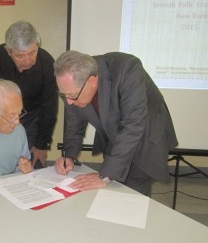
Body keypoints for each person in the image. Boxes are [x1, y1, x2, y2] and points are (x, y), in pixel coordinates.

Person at [54, 50, 178, 196]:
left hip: (144, 138)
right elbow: (74, 126)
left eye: (72, 96)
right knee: (111, 193)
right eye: (64, 95)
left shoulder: (127, 68)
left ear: (92, 81)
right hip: (115, 138)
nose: (68, 101)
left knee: (132, 198)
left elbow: (133, 126)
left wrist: (105, 175)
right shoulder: (71, 85)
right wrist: (69, 155)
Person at [0, 20, 58, 168]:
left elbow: (49, 108)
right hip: (0, 118)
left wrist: (41, 144)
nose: (27, 60)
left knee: (31, 166)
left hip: (32, 119)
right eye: (20, 56)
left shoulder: (46, 63)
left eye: (32, 53)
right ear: (8, 51)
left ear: (37, 45)